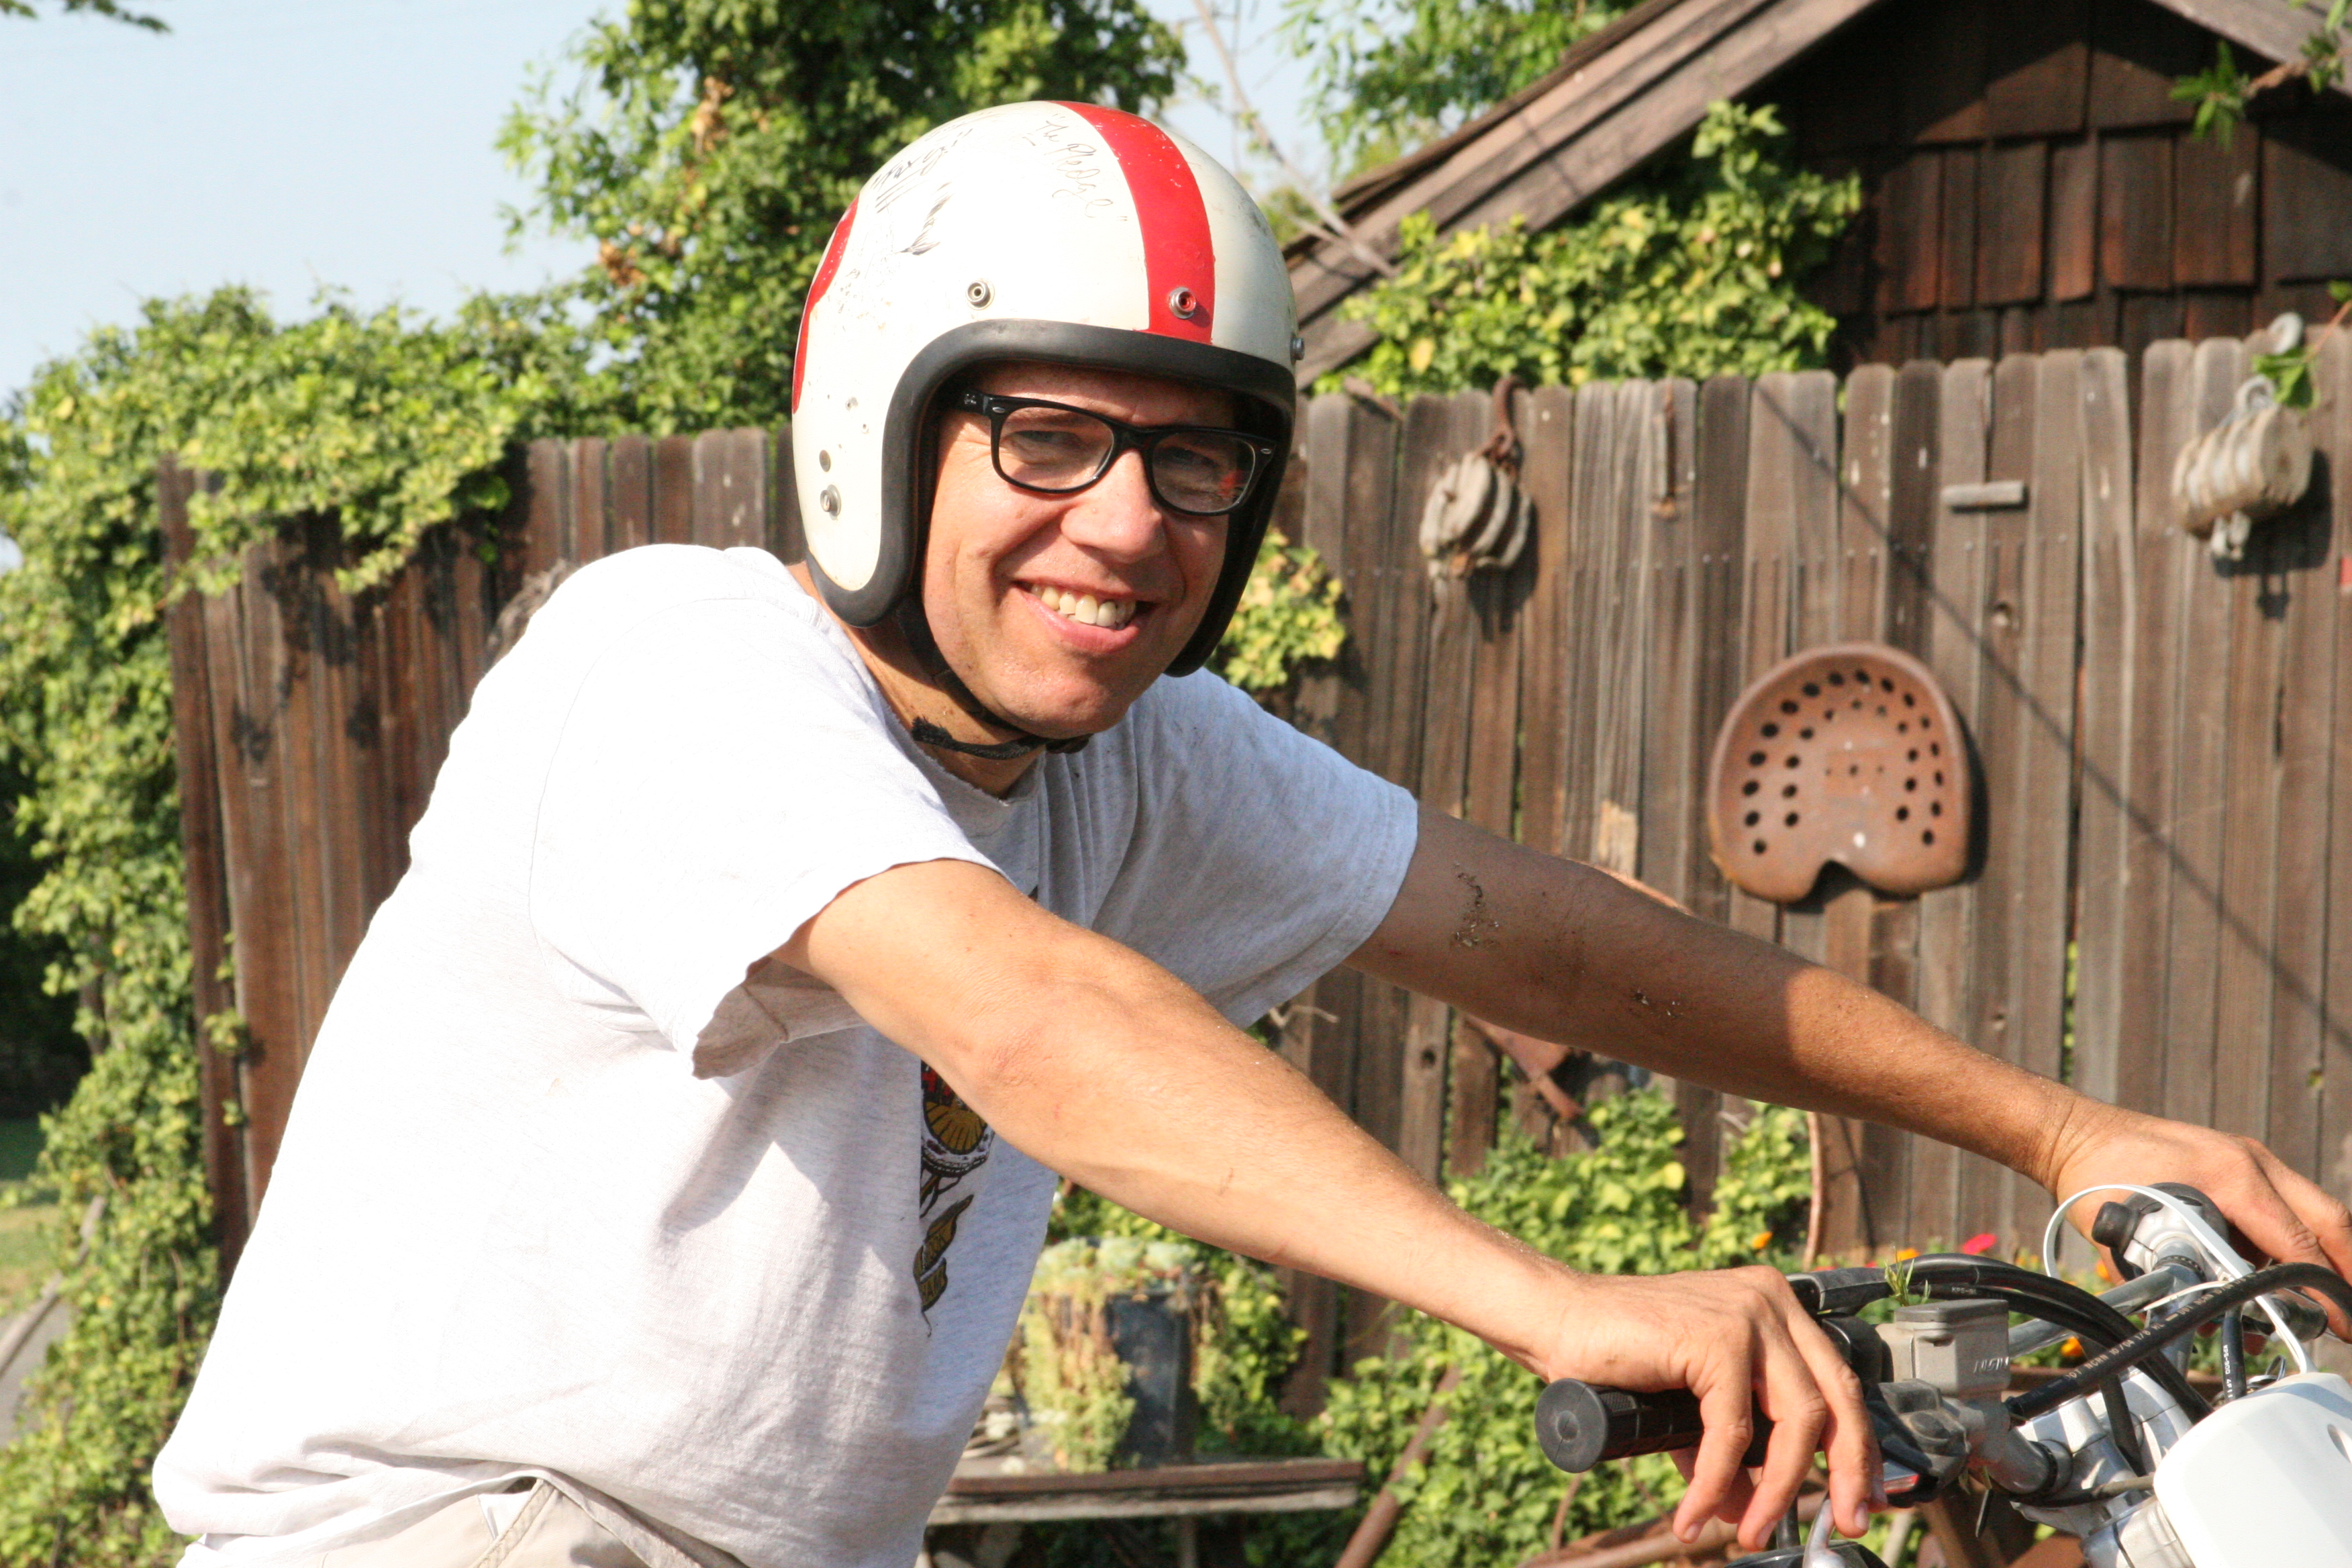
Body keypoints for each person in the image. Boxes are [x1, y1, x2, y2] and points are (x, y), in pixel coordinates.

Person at [154, 101, 2352, 1568]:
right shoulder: (675, 668)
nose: (1127, 523)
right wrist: (1556, 1305)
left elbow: (1545, 937)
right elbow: (1028, 1015)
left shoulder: (1137, 764)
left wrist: (2067, 1131)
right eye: (1047, 436)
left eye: (1194, 460)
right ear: (876, 429)